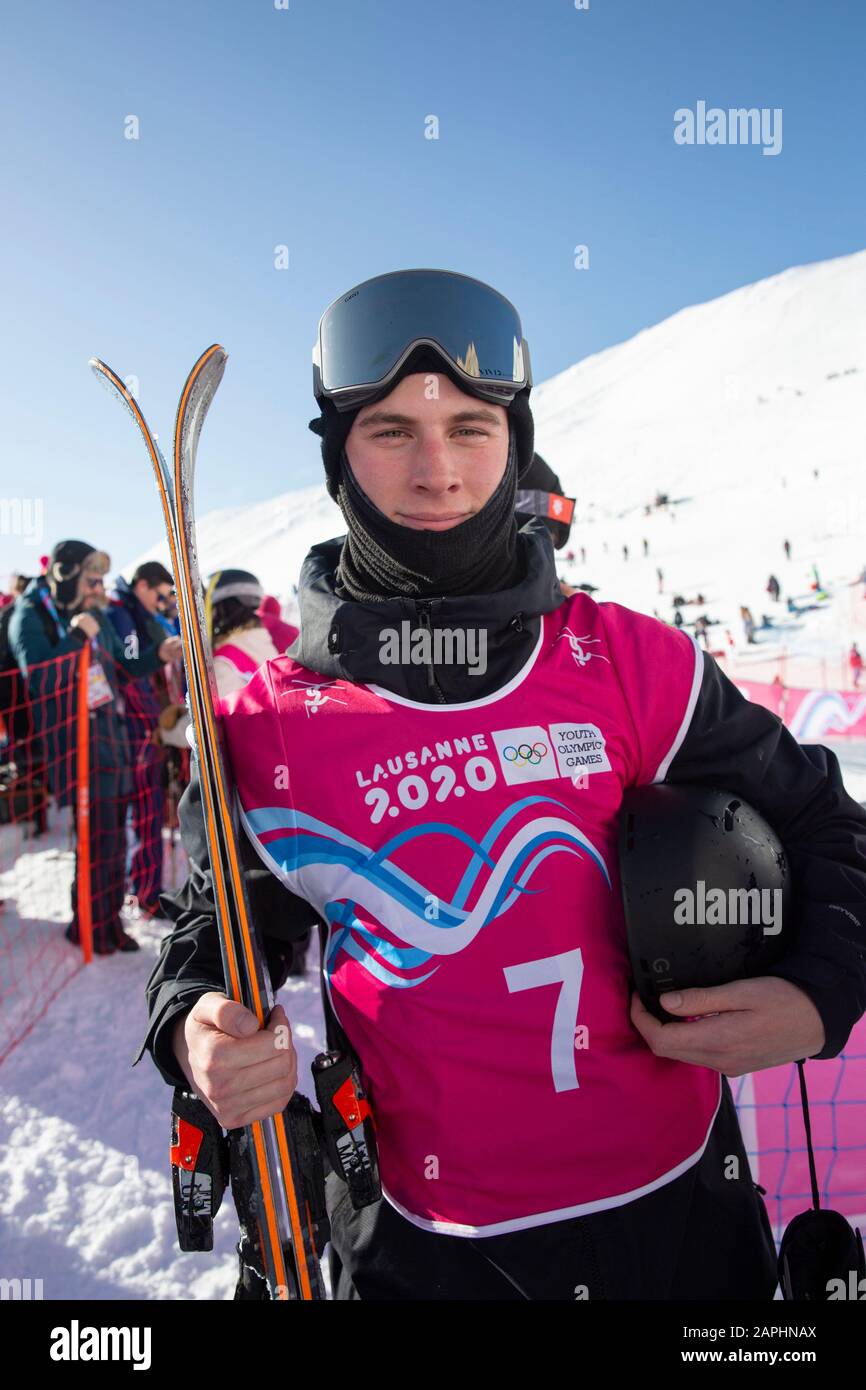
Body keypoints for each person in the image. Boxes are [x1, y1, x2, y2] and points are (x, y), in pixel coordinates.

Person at [139, 269, 866, 1302]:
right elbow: (213, 932)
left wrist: (818, 992)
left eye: (471, 427)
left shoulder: (629, 664)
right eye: (391, 429)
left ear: (514, 443)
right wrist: (196, 1023)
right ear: (336, 456)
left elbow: (829, 827)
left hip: (683, 1231)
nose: (437, 470)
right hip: (424, 1250)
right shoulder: (269, 726)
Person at [10, 540, 180, 953]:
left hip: (111, 742)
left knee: (113, 842)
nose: (98, 588)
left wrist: (156, 655)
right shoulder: (30, 616)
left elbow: (120, 671)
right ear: (66, 578)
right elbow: (40, 680)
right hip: (77, 747)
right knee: (95, 840)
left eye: (101, 580)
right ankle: (88, 925)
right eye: (90, 580)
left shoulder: (93, 617)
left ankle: (107, 922)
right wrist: (73, 637)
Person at [106, 561, 178, 917]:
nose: (164, 601)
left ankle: (145, 889)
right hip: (132, 729)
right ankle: (143, 893)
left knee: (147, 813)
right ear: (143, 586)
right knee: (141, 814)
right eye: (162, 594)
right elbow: (130, 666)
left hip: (141, 725)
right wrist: (160, 654)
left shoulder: (137, 614)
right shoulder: (122, 614)